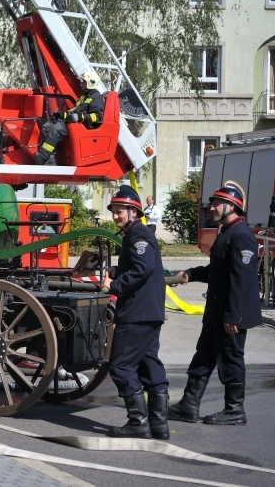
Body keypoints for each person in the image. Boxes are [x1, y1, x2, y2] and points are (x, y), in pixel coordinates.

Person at [169, 181, 262, 426]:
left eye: (217, 203)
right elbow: (217, 270)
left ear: (231, 206)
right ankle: (188, 404)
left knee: (230, 358)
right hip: (216, 312)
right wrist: (192, 272)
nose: (212, 208)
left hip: (229, 315)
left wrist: (234, 316)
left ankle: (234, 410)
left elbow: (242, 281)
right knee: (203, 357)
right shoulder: (228, 232)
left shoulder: (241, 236)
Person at [101, 185, 169, 440]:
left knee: (120, 366)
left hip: (137, 313)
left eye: (119, 211)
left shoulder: (138, 234)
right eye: (114, 211)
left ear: (134, 211)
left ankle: (138, 423)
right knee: (149, 364)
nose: (115, 216)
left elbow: (143, 269)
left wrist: (114, 285)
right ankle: (159, 425)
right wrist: (120, 269)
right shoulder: (137, 234)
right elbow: (140, 266)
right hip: (150, 312)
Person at [33, 70, 104, 165]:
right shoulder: (84, 96)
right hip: (70, 123)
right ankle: (50, 158)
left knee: (55, 130)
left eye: (84, 82)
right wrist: (62, 115)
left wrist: (78, 117)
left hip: (79, 126)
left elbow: (97, 116)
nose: (81, 83)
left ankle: (42, 156)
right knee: (46, 127)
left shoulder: (96, 97)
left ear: (90, 84)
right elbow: (75, 110)